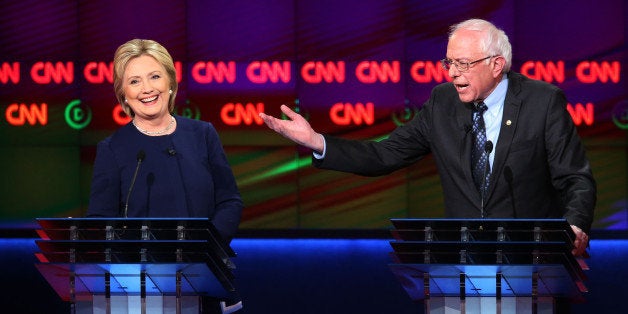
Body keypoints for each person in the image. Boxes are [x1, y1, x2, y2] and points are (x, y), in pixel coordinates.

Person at [259, 19, 596, 257]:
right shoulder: (442, 102)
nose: (452, 73)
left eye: (463, 64)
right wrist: (318, 141)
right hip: (460, 263)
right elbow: (385, 156)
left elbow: (575, 178)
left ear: (497, 64)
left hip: (531, 259)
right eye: (448, 63)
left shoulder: (542, 101)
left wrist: (575, 226)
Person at [86, 39, 243, 243]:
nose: (147, 88)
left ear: (170, 82)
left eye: (155, 77)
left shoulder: (203, 134)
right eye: (134, 81)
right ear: (124, 95)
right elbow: (100, 220)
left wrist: (208, 245)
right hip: (140, 271)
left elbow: (229, 201)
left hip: (202, 264)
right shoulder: (112, 149)